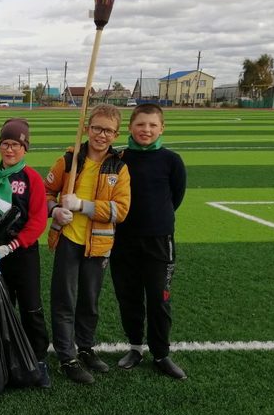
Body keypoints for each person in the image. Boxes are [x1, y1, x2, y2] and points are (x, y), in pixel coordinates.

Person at [44, 104, 131, 384]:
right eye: (97, 128)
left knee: (89, 302)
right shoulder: (70, 160)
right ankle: (67, 356)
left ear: (116, 134)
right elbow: (45, 193)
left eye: (108, 130)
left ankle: (85, 348)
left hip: (99, 245)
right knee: (64, 300)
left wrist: (83, 205)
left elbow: (121, 210)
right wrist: (55, 209)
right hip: (69, 238)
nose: (101, 135)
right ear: (87, 127)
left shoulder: (119, 167)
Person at [110, 103, 187, 379]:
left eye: (153, 125)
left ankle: (161, 354)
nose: (146, 130)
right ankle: (134, 347)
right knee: (128, 297)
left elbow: (175, 197)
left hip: (159, 241)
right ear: (130, 127)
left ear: (162, 128)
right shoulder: (117, 158)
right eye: (141, 124)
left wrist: (156, 220)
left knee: (159, 299)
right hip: (123, 240)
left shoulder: (172, 160)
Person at [0, 118, 51, 387]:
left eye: (16, 145)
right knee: (1, 306)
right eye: (5, 144)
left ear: (25, 148)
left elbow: (38, 220)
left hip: (21, 253)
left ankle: (38, 359)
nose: (10, 150)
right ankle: (4, 357)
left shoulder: (32, 178)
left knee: (31, 306)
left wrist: (12, 245)